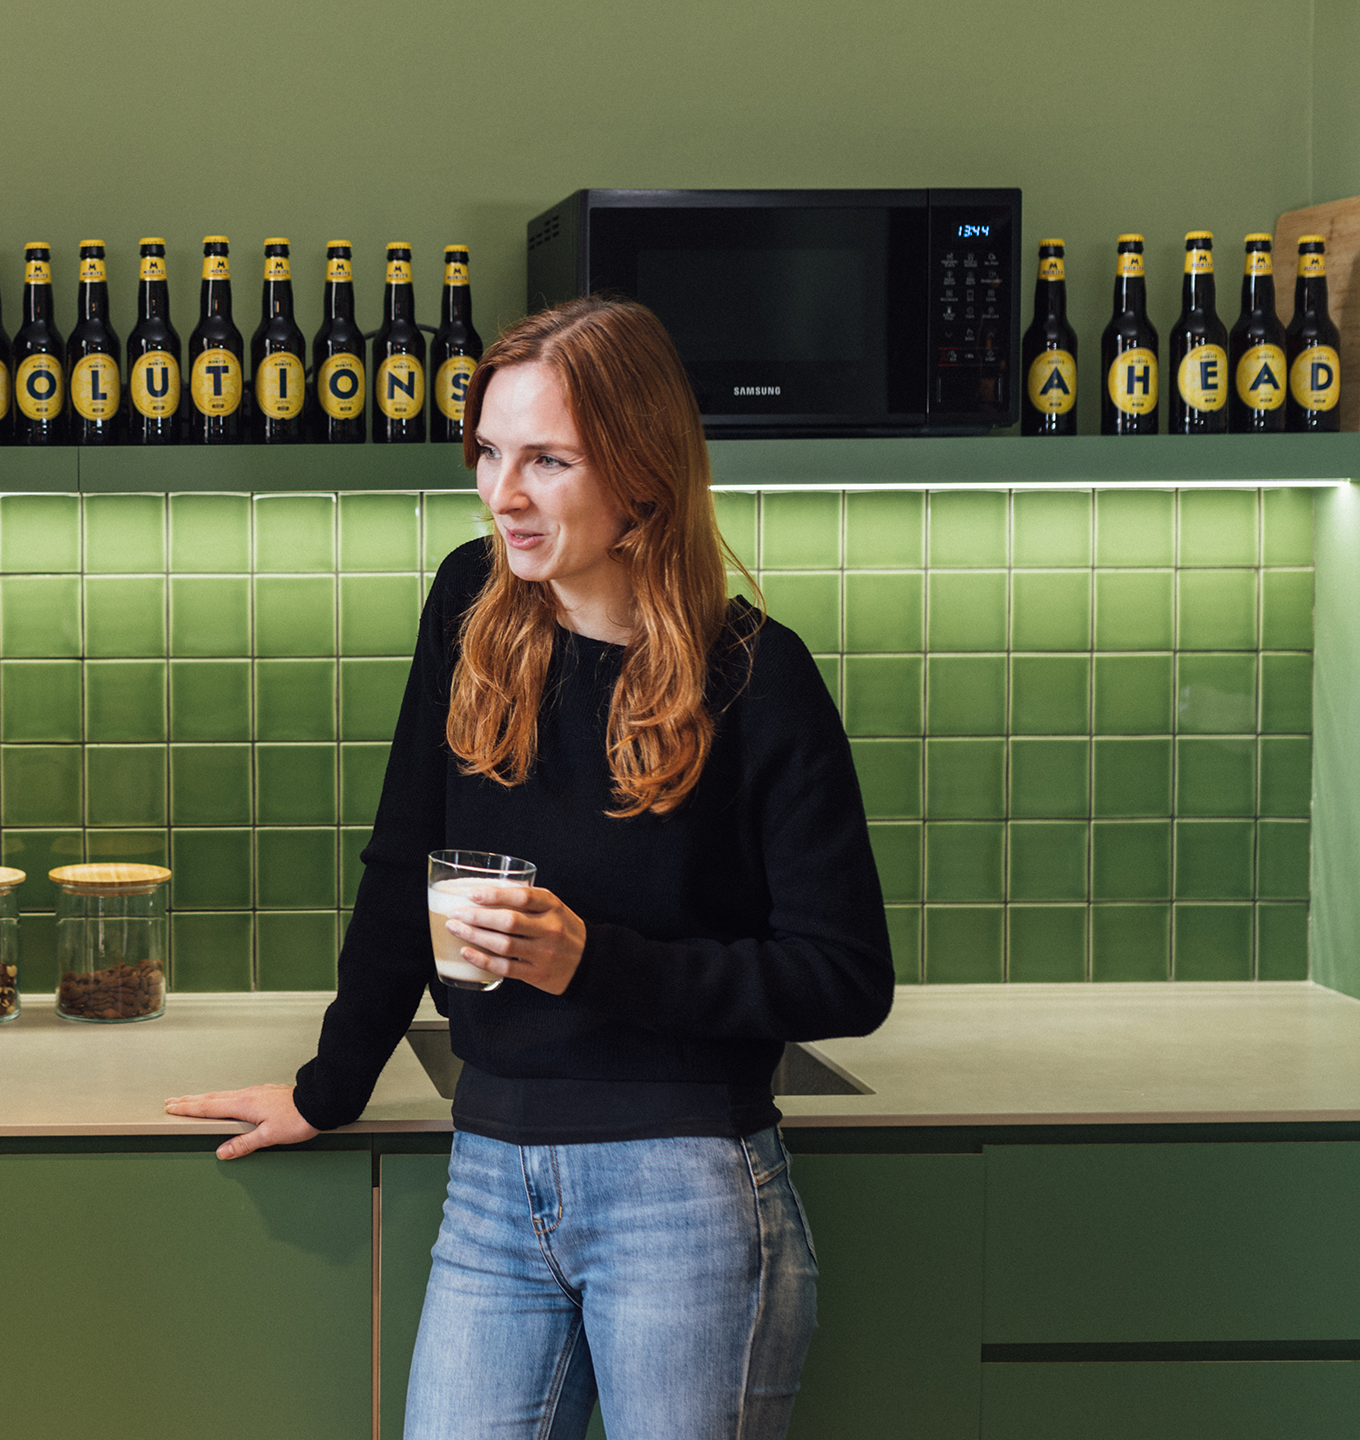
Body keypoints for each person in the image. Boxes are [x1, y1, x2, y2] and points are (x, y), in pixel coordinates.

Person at [166, 296, 892, 1440]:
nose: (502, 494)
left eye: (547, 460)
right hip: (494, 1178)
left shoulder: (756, 676)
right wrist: (326, 1087)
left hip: (684, 1191)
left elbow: (844, 978)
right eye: (489, 453)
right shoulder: (470, 608)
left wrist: (592, 961)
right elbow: (402, 862)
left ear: (642, 473)